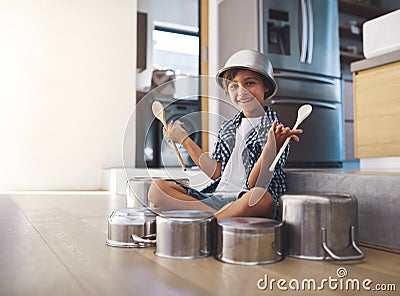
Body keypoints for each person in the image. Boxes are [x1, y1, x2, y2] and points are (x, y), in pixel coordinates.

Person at [148, 49, 302, 221]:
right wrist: (184, 139)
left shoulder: (276, 130)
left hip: (246, 199)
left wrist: (271, 148)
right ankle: (215, 218)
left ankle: (207, 221)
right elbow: (216, 173)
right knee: (157, 188)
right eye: (234, 85)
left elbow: (254, 184)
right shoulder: (228, 128)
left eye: (250, 83)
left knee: (262, 198)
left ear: (265, 86)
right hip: (217, 198)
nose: (242, 91)